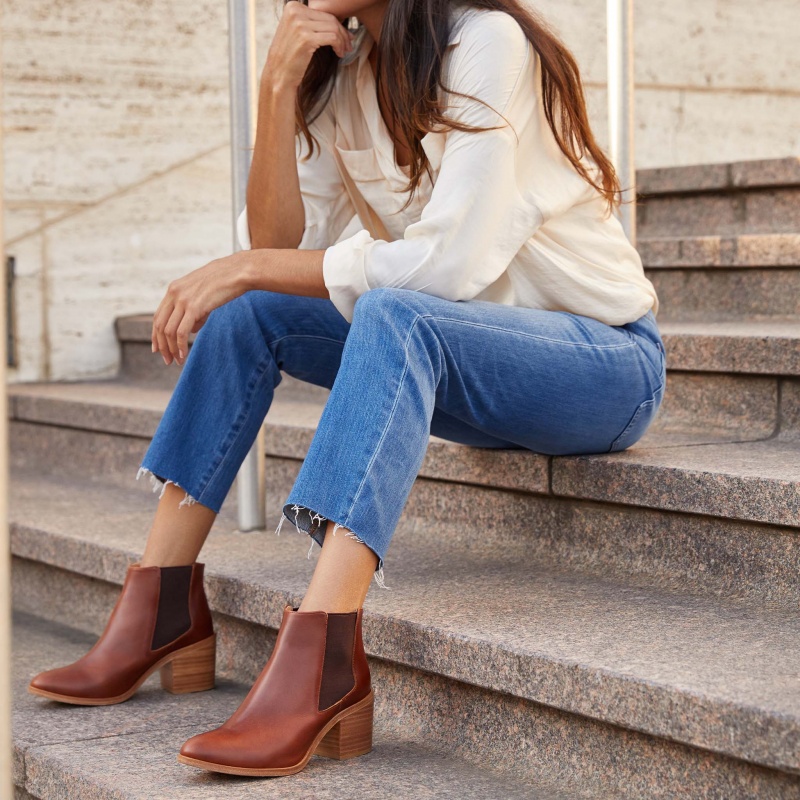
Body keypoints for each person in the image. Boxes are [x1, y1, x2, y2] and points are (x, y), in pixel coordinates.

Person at [28, 0, 666, 779]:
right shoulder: (342, 70)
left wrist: (247, 268)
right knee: (249, 312)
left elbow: (447, 266)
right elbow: (272, 249)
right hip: (467, 363)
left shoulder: (485, 44)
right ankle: (161, 609)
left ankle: (324, 655)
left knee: (395, 312)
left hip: (600, 365)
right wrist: (277, 89)